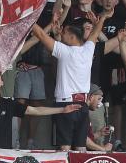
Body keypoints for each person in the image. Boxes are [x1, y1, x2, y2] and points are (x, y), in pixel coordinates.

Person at [31, 14, 106, 152]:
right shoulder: (89, 50)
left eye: (64, 32)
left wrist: (27, 19)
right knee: (81, 147)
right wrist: (101, 19)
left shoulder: (64, 51)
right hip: (83, 105)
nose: (61, 33)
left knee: (65, 147)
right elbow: (94, 35)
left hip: (65, 104)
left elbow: (41, 35)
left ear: (72, 36)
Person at [0, 74, 77, 149]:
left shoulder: (9, 104)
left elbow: (35, 110)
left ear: (2, 83)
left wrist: (62, 109)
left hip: (3, 153)